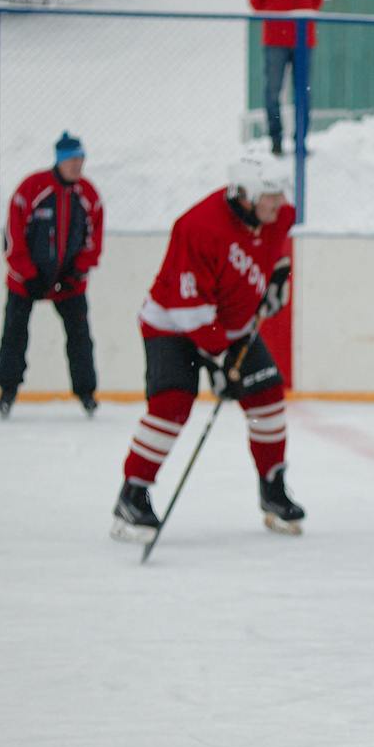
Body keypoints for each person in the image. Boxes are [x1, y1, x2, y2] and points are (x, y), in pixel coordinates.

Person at [110, 155, 304, 543]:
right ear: (245, 196)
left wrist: (278, 272)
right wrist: (222, 360)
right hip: (172, 325)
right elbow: (189, 310)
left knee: (267, 397)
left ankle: (273, 488)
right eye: (270, 196)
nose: (279, 203)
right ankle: (132, 495)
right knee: (171, 405)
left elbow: (276, 241)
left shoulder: (276, 214)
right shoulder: (197, 227)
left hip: (233, 327)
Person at [0, 132, 104, 418]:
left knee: (80, 337)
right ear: (59, 160)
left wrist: (76, 272)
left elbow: (94, 240)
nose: (77, 165)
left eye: (81, 159)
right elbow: (13, 237)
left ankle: (87, 393)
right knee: (14, 334)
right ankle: (7, 391)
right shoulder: (32, 188)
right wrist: (28, 275)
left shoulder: (88, 195)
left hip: (69, 283)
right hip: (26, 282)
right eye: (72, 160)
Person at [248, 0, 323, 158]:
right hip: (275, 40)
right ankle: (276, 140)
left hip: (303, 40)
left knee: (303, 92)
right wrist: (277, 18)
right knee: (273, 91)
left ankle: (300, 142)